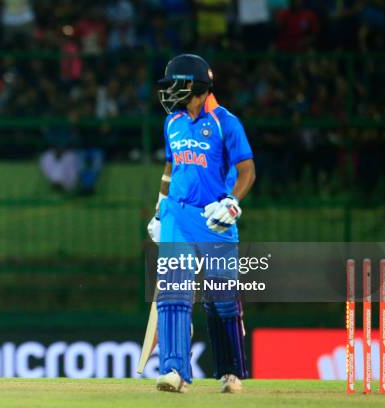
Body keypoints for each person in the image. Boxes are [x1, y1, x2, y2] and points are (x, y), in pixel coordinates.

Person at [147, 54, 256, 393]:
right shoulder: (172, 123)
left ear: (194, 86)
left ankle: (230, 372)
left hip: (215, 219)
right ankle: (174, 372)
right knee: (173, 293)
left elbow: (247, 171)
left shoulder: (226, 122)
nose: (169, 93)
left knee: (221, 298)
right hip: (177, 216)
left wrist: (232, 203)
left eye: (175, 85)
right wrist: (159, 209)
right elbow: (170, 169)